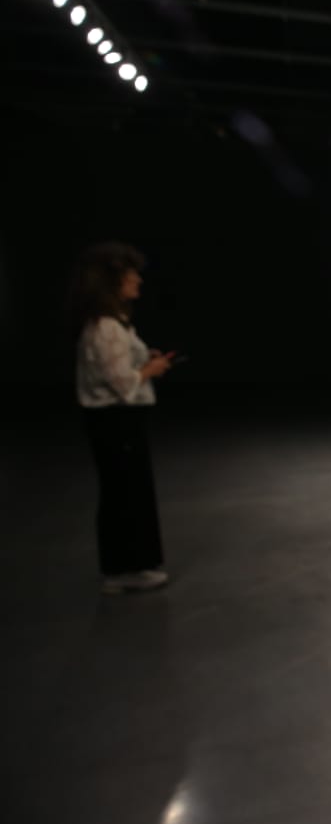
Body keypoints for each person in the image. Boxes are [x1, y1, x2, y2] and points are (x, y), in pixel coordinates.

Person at [71, 242, 174, 594]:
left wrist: (147, 361)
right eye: (132, 276)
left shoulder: (113, 324)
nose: (138, 282)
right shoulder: (106, 328)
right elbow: (121, 382)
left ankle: (133, 564)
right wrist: (149, 369)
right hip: (114, 422)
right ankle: (123, 569)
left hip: (118, 422)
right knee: (123, 494)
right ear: (113, 283)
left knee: (128, 491)